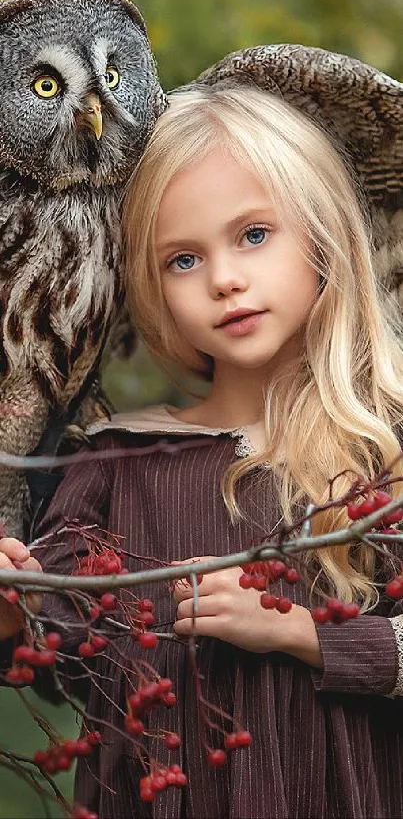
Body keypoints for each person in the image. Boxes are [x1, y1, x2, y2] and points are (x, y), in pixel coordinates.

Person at [1, 84, 403, 819]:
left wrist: (300, 632)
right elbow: (62, 637)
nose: (224, 279)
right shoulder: (117, 458)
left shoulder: (382, 455)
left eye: (253, 234)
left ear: (321, 234)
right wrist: (15, 606)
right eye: (182, 259)